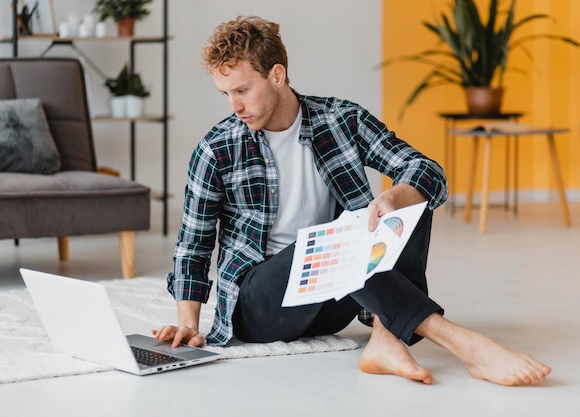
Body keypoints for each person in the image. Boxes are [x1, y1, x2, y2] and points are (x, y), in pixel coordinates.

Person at [153, 15, 551, 386]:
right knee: (328, 242)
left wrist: (396, 195)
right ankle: (464, 343)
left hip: (333, 301)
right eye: (225, 93)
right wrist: (188, 321)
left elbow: (427, 170)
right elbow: (194, 244)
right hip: (262, 304)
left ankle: (384, 337)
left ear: (277, 75)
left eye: (242, 90)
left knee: (411, 199)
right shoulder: (217, 147)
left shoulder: (341, 119)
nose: (234, 106)